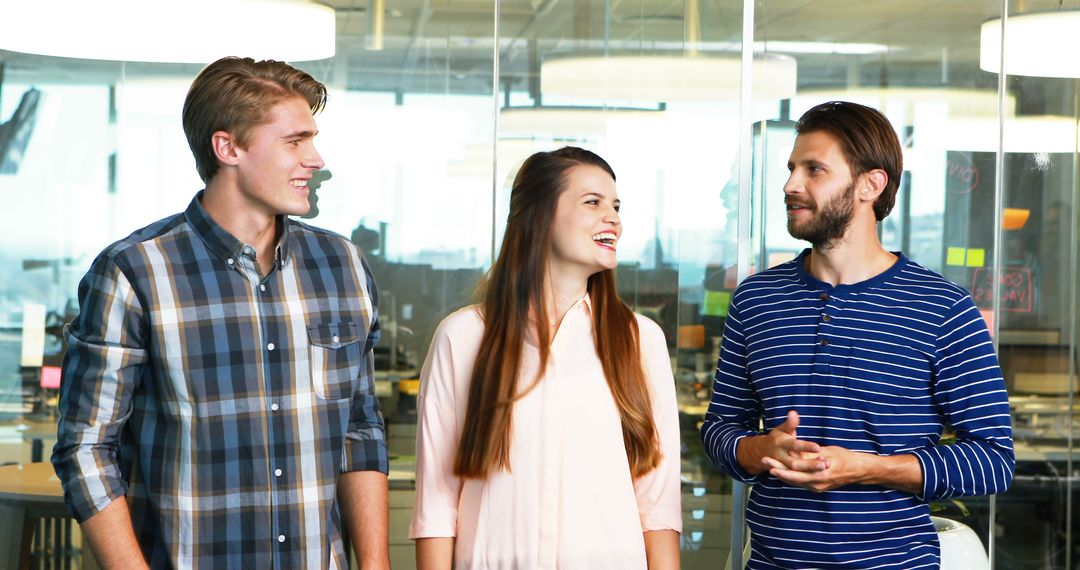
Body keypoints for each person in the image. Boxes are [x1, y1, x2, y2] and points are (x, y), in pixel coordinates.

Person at [51, 57, 390, 569]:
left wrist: (375, 564)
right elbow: (86, 449)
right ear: (227, 147)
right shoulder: (135, 272)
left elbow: (359, 430)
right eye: (295, 141)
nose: (316, 159)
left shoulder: (343, 266)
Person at [701, 101, 1015, 568]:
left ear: (871, 184)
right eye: (791, 169)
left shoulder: (942, 307)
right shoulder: (756, 299)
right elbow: (719, 430)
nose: (790, 185)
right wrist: (756, 450)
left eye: (814, 170)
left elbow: (993, 461)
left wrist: (869, 469)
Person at [409, 147, 681, 569]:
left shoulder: (640, 340)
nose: (613, 218)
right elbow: (436, 504)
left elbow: (657, 503)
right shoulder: (462, 337)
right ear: (538, 216)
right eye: (593, 202)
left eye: (616, 206)